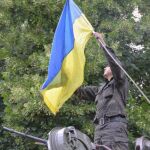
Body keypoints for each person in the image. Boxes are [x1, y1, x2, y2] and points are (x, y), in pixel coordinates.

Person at [75, 32, 129, 150]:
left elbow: (114, 63)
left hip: (114, 127)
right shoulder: (100, 89)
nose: (105, 67)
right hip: (99, 129)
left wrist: (103, 43)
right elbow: (80, 92)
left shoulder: (120, 82)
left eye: (107, 66)